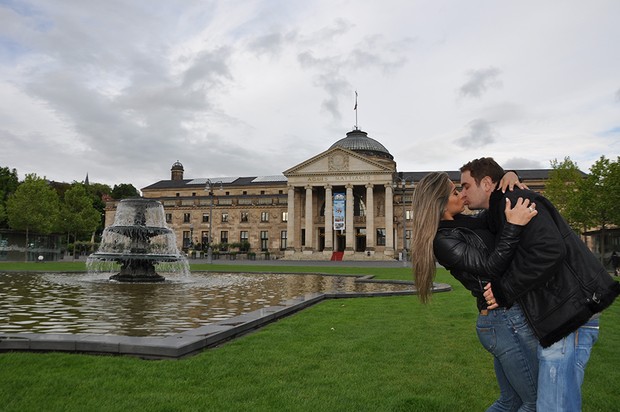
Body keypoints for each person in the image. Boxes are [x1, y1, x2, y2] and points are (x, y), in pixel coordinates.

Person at [459, 157, 620, 411]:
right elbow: (463, 223)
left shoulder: (517, 201)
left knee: (553, 407)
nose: (462, 193)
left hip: (571, 313)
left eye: (466, 186)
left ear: (487, 183)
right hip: (559, 314)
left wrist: (504, 290)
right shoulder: (499, 210)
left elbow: (548, 251)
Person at [411, 171, 539, 411]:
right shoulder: (443, 241)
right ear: (439, 203)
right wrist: (514, 226)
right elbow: (490, 267)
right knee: (534, 402)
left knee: (510, 401)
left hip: (503, 318)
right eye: (454, 191)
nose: (461, 194)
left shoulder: (465, 222)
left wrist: (508, 175)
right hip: (501, 321)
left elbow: (493, 211)